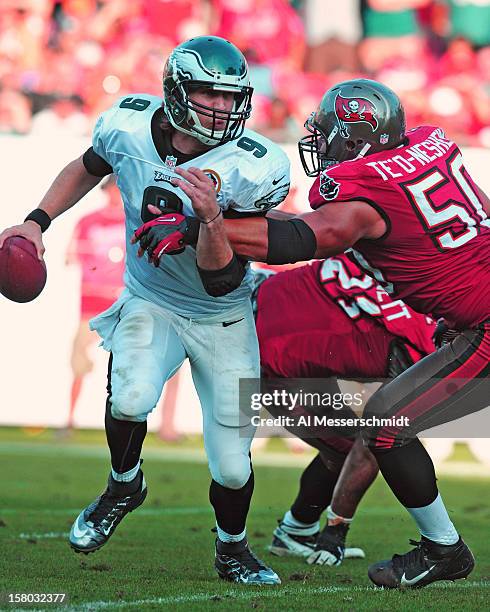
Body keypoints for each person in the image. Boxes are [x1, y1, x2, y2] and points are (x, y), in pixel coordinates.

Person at [135, 78, 490, 589]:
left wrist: (201, 228)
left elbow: (310, 237)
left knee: (386, 425)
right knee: (382, 422)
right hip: (469, 319)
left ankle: (444, 550)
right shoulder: (424, 145)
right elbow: (319, 226)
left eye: (327, 133)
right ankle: (430, 545)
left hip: (482, 325)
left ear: (353, 138)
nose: (319, 143)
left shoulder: (364, 194)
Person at [0, 36, 291, 585]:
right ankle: (123, 483)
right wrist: (36, 221)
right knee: (131, 397)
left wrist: (207, 221)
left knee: (231, 465)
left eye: (233, 98)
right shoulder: (128, 125)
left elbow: (223, 275)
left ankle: (232, 549)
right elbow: (88, 166)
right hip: (151, 297)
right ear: (179, 92)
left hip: (223, 313)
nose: (225, 109)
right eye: (211, 94)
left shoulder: (252, 167)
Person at [251, 256, 435, 567]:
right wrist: (337, 529)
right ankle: (299, 531)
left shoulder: (428, 291)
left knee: (348, 447)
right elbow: (374, 443)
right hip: (258, 343)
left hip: (261, 297)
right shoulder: (430, 346)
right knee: (366, 446)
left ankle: (296, 529)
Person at [65, 176, 125, 430]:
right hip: (90, 303)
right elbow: (70, 256)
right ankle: (70, 419)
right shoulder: (88, 221)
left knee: (123, 366)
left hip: (120, 303)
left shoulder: (134, 221)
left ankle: (120, 422)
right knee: (79, 361)